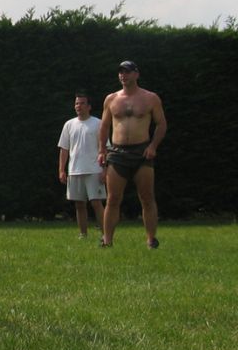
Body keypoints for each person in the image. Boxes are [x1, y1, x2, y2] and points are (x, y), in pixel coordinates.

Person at [97, 60, 168, 249]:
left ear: (136, 74)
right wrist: (102, 150)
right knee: (112, 199)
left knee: (147, 197)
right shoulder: (111, 99)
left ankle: (151, 239)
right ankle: (107, 240)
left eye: (127, 72)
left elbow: (161, 124)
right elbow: (104, 126)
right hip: (118, 153)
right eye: (121, 72)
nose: (123, 75)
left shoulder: (150, 98)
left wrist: (153, 146)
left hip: (141, 152)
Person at [57, 92, 106, 239]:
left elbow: (105, 149)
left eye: (82, 103)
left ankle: (106, 234)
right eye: (77, 103)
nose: (79, 106)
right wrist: (61, 170)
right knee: (79, 204)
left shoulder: (98, 123)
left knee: (96, 203)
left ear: (89, 106)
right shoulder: (69, 124)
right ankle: (83, 234)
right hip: (74, 170)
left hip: (94, 170)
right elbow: (64, 148)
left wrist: (105, 170)